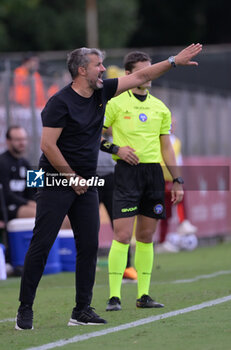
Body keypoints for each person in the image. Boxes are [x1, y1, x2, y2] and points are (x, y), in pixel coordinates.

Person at [15, 44, 202, 330]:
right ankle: (24, 308)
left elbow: (141, 76)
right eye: (97, 65)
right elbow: (47, 145)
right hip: (56, 181)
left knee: (89, 246)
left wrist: (174, 61)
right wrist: (70, 177)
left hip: (87, 183)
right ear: (81, 70)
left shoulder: (102, 91)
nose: (103, 69)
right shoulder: (59, 102)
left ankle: (81, 310)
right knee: (42, 243)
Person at [104, 51, 191, 312]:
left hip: (153, 176)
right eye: (144, 71)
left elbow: (167, 148)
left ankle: (143, 295)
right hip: (126, 174)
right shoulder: (115, 104)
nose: (149, 75)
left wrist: (177, 180)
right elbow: (94, 137)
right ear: (129, 75)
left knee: (146, 236)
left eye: (150, 70)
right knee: (121, 235)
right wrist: (117, 149)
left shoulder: (161, 107)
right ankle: (114, 297)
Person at [97, 128, 137, 281]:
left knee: (121, 224)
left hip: (112, 177)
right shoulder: (89, 112)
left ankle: (126, 266)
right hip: (89, 177)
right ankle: (87, 265)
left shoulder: (117, 114)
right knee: (88, 224)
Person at [159, 118, 197, 252]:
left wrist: (179, 178)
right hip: (162, 180)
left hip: (174, 179)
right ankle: (163, 241)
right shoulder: (158, 139)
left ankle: (183, 223)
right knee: (165, 212)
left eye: (173, 125)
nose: (171, 127)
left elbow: (178, 160)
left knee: (181, 199)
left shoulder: (177, 141)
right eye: (170, 124)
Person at [0, 126, 37, 220]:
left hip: (25, 206)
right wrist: (28, 203)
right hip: (7, 209)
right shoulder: (2, 162)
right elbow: (6, 194)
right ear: (8, 141)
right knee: (42, 214)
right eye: (17, 140)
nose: (22, 143)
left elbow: (35, 191)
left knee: (56, 212)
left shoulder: (27, 163)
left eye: (24, 139)